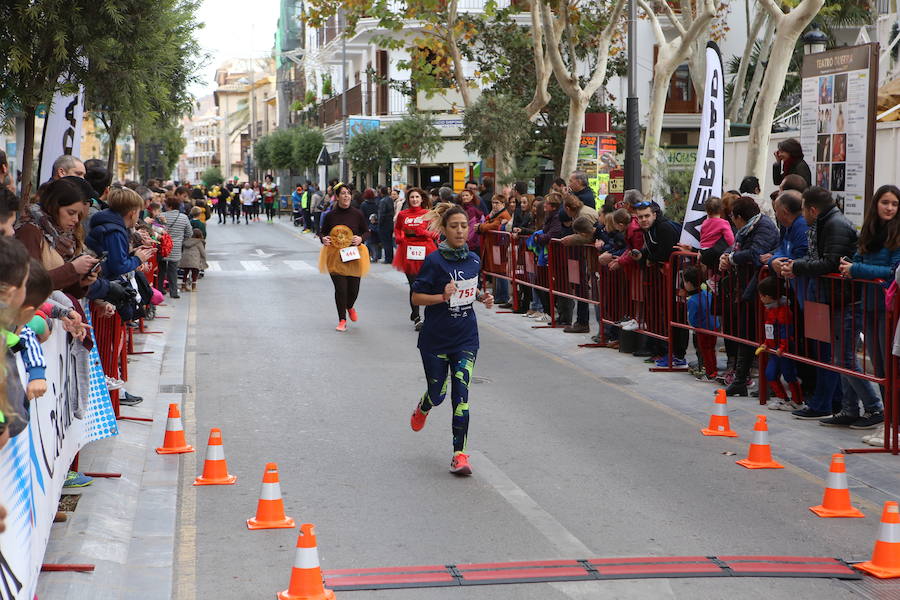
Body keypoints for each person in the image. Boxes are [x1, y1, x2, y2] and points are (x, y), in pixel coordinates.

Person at [409, 202, 494, 476]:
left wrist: (483, 297)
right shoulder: (434, 261)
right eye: (454, 226)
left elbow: (471, 289)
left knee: (462, 396)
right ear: (444, 230)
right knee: (438, 395)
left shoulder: (474, 260)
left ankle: (460, 455)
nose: (460, 231)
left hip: (466, 338)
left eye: (464, 226)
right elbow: (416, 297)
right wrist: (441, 297)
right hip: (435, 340)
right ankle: (424, 405)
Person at [835, 184, 899, 427]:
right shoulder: (869, 231)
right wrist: (849, 265)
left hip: (891, 309)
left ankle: (894, 424)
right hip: (869, 305)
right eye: (885, 202)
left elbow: (892, 272)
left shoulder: (898, 233)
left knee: (891, 367)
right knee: (880, 368)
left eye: (894, 204)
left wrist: (856, 270)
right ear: (876, 205)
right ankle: (889, 424)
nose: (890, 208)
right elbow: (860, 258)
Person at [718, 196, 779, 395]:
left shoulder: (764, 227)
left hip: (762, 288)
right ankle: (740, 380)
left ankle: (770, 384)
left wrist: (733, 258)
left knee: (766, 337)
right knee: (745, 334)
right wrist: (726, 256)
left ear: (738, 217)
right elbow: (736, 246)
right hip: (746, 288)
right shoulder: (747, 229)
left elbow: (756, 253)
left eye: (732, 217)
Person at [14, 177, 98, 296]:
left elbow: (60, 286)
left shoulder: (59, 235)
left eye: (77, 214)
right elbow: (31, 282)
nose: (75, 219)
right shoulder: (30, 231)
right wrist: (72, 269)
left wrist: (82, 282)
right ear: (54, 207)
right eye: (71, 213)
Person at [318, 183, 370, 331]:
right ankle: (342, 320)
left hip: (354, 256)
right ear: (337, 196)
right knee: (341, 289)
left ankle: (350, 306)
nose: (346, 196)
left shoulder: (357, 213)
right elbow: (322, 232)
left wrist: (361, 239)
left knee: (353, 290)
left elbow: (366, 231)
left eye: (348, 193)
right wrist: (323, 238)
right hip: (335, 256)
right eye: (343, 193)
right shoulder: (330, 215)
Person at [393, 188, 438, 330]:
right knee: (414, 285)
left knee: (427, 284)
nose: (414, 199)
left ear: (421, 199)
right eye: (412, 197)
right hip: (408, 250)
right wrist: (399, 237)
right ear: (408, 199)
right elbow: (398, 228)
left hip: (426, 249)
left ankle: (427, 314)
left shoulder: (428, 214)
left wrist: (423, 232)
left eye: (417, 197)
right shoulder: (402, 214)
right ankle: (417, 317)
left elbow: (436, 234)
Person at [756, 276, 803, 410]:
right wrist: (766, 343)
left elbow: (785, 331)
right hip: (773, 348)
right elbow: (769, 329)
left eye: (762, 295)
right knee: (770, 373)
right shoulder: (769, 309)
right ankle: (782, 398)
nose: (760, 298)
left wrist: (783, 346)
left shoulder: (783, 311)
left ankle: (798, 402)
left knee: (789, 374)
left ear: (768, 296)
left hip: (784, 348)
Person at [682, 265, 719, 381]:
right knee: (711, 349)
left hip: (703, 328)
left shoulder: (692, 300)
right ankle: (713, 370)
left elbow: (692, 319)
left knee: (705, 350)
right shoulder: (707, 293)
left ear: (688, 283)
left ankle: (710, 372)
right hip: (714, 326)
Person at [478, 195, 512, 307]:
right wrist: (487, 221)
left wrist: (481, 227)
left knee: (501, 271)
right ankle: (498, 295)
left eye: (497, 203)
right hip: (494, 246)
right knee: (496, 271)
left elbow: (492, 226)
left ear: (503, 203)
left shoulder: (504, 214)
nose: (494, 205)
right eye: (493, 202)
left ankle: (503, 296)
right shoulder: (495, 214)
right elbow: (489, 223)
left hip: (499, 246)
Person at [161, 195, 192, 298]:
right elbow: (189, 233)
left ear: (169, 206)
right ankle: (173, 292)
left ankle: (160, 290)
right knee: (173, 270)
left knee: (161, 270)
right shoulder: (184, 217)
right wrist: (181, 239)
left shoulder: (161, 216)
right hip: (175, 248)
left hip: (162, 247)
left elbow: (154, 231)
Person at [360, 188, 382, 263]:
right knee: (375, 242)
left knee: (368, 242)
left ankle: (368, 256)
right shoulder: (376, 203)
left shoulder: (363, 204)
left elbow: (362, 216)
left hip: (366, 224)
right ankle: (376, 256)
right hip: (375, 224)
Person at [377, 187, 395, 264]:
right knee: (390, 242)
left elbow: (382, 214)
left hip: (384, 224)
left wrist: (379, 223)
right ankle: (391, 257)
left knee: (386, 242)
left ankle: (388, 258)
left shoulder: (383, 201)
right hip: (390, 222)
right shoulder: (390, 199)